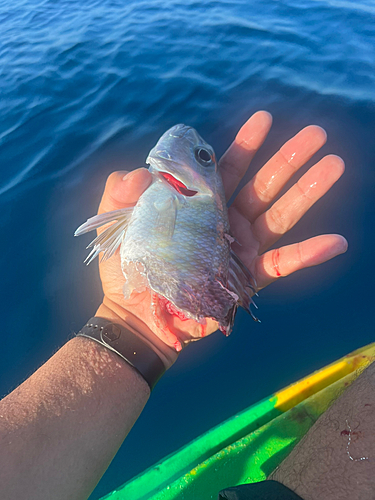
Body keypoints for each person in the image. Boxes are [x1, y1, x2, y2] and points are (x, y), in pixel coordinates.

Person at [2, 110, 368, 500]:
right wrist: (132, 320)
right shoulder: (167, 190)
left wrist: (132, 326)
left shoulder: (166, 193)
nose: (200, 157)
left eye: (204, 159)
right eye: (204, 158)